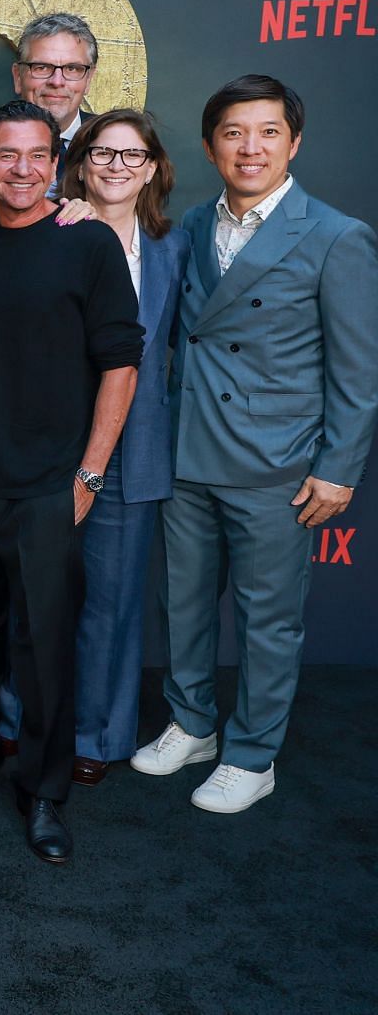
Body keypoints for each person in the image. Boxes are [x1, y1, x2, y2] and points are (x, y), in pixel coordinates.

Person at [132, 75, 378, 813]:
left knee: (269, 619)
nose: (251, 146)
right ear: (211, 146)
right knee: (183, 602)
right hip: (187, 450)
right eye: (235, 132)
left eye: (268, 131)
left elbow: (359, 370)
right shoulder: (189, 225)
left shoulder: (337, 235)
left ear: (293, 142)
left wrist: (338, 469)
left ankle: (253, 751)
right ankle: (193, 722)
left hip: (278, 462)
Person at [0, 100, 142, 866]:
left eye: (36, 154)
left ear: (55, 162)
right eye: (5, 155)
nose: (21, 168)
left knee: (43, 646)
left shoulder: (89, 243)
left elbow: (120, 363)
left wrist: (90, 472)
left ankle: (44, 791)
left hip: (50, 482)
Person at [0, 110, 189, 786]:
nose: (116, 165)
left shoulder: (172, 245)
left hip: (134, 447)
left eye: (132, 155)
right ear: (80, 162)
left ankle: (95, 734)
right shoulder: (51, 228)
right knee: (32, 591)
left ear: (154, 167)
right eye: (103, 151)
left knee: (111, 599)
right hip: (48, 434)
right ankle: (18, 719)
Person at [0, 13, 100, 213]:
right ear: (18, 77)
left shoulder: (115, 149)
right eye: (41, 67)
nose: (57, 81)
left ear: (89, 79)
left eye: (72, 68)